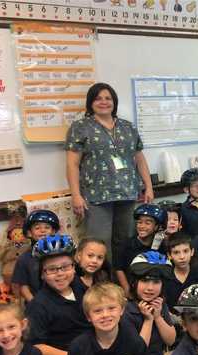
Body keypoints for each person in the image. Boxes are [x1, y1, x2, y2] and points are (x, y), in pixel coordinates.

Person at [65, 82, 153, 261]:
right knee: (98, 243)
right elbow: (72, 164)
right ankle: (104, 284)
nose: (103, 102)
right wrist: (75, 195)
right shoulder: (80, 127)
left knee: (125, 240)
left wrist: (148, 187)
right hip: (96, 195)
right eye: (98, 98)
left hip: (128, 193)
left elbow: (140, 159)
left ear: (114, 102)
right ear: (90, 103)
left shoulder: (127, 127)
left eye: (108, 98)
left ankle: (123, 280)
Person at [27, 234, 91, 355]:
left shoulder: (78, 285)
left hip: (92, 347)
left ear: (74, 267)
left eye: (65, 267)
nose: (60, 274)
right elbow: (38, 347)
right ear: (42, 274)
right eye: (52, 269)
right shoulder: (39, 305)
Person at [124, 251, 176, 355]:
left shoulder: (160, 304)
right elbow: (137, 351)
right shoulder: (127, 310)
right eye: (145, 281)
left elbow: (170, 341)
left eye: (156, 282)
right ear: (134, 283)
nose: (150, 288)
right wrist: (148, 320)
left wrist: (158, 317)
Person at [114, 203, 167, 294]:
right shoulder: (126, 244)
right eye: (139, 222)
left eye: (147, 223)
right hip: (132, 288)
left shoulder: (161, 246)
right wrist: (126, 289)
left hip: (153, 289)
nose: (142, 226)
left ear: (156, 227)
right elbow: (118, 268)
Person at [12, 209, 60, 303]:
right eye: (37, 228)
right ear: (29, 233)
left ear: (53, 231)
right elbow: (23, 287)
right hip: (36, 302)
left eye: (47, 228)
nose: (42, 231)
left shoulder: (61, 255)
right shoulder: (24, 259)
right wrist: (35, 304)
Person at [163, 232, 198, 310]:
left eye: (186, 251)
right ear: (169, 255)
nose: (182, 257)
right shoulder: (165, 276)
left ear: (192, 252)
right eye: (176, 252)